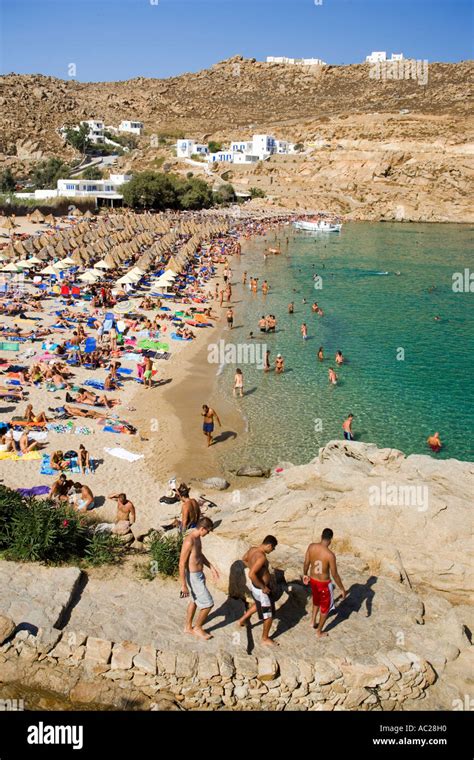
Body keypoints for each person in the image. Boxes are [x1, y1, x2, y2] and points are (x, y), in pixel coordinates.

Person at [179, 516, 219, 640]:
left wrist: (211, 566)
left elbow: (199, 555)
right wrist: (184, 585)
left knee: (194, 601)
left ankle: (188, 627)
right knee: (208, 604)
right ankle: (198, 627)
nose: (208, 533)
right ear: (202, 528)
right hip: (193, 577)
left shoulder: (197, 538)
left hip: (199, 575)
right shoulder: (189, 540)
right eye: (208, 531)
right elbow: (181, 563)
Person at [303, 528, 346, 638]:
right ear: (331, 539)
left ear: (321, 536)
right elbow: (334, 574)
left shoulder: (311, 546)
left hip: (313, 580)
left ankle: (312, 621)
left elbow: (306, 562)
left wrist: (305, 574)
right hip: (323, 583)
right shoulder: (330, 555)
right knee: (325, 608)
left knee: (316, 601)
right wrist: (342, 588)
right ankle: (319, 632)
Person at [237, 535, 279, 647]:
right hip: (261, 589)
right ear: (269, 545)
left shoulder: (252, 549)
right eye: (273, 548)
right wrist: (263, 586)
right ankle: (265, 638)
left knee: (257, 604)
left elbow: (244, 559)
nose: (273, 550)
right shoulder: (261, 557)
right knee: (269, 615)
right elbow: (251, 574)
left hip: (255, 587)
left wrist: (253, 567)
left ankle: (242, 620)